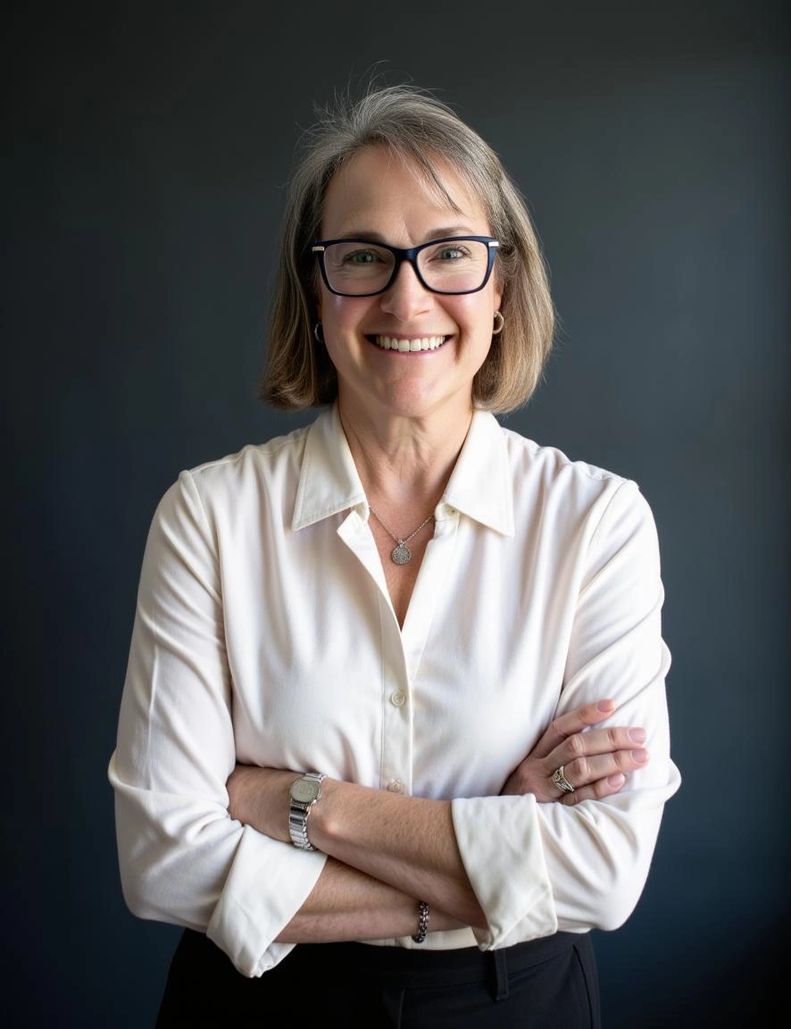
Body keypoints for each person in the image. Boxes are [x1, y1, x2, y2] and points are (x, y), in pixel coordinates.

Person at [109, 84, 681, 1027]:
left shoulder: (598, 522)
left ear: (502, 286)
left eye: (451, 251)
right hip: (260, 1007)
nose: (406, 295)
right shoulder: (208, 517)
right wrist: (495, 843)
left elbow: (605, 872)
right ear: (316, 286)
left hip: (517, 1003)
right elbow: (162, 859)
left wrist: (297, 803)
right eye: (364, 256)